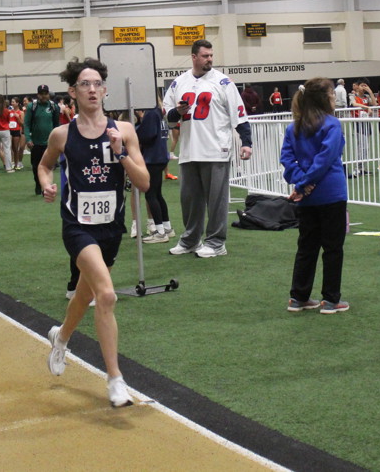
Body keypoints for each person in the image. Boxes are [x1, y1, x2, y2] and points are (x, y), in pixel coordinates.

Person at [38, 57, 149, 408]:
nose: (91, 89)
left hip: (111, 228)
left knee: (84, 296)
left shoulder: (124, 130)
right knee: (106, 295)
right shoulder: (62, 135)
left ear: (104, 90)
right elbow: (44, 164)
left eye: (97, 83)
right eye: (84, 84)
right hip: (77, 226)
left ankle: (61, 337)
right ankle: (115, 379)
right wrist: (47, 184)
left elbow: (144, 183)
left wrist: (121, 153)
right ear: (73, 92)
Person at [162, 39, 253, 258]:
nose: (209, 59)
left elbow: (239, 114)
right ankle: (191, 240)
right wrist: (178, 112)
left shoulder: (223, 82)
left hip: (216, 149)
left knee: (216, 201)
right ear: (194, 57)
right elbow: (168, 117)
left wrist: (246, 142)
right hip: (189, 150)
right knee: (190, 201)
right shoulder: (178, 82)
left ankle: (216, 242)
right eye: (205, 56)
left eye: (211, 55)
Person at [280, 77, 349, 314]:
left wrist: (301, 183)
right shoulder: (332, 124)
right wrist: (306, 182)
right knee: (333, 248)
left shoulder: (293, 127)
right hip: (331, 193)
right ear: (324, 98)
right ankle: (330, 299)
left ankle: (298, 297)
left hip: (308, 198)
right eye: (332, 94)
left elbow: (287, 159)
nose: (334, 98)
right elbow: (325, 159)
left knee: (306, 246)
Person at [136, 106, 174, 243]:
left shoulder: (151, 113)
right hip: (161, 156)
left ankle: (160, 232)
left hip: (153, 158)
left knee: (151, 194)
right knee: (157, 194)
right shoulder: (158, 111)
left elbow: (147, 135)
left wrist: (137, 127)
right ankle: (166, 228)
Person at [25, 84, 61, 194]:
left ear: (48, 94)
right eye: (41, 94)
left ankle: (47, 186)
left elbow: (56, 125)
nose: (44, 96)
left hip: (49, 143)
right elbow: (26, 124)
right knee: (36, 166)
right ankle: (38, 184)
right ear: (38, 95)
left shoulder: (54, 107)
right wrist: (28, 139)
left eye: (45, 93)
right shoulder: (32, 106)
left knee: (49, 166)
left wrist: (56, 140)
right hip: (35, 143)